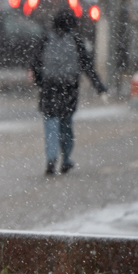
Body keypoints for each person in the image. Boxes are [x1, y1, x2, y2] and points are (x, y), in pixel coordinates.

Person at [32, 9, 107, 176]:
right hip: (69, 88)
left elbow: (36, 62)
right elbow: (88, 66)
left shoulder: (45, 39)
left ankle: (51, 158)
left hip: (49, 87)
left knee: (51, 123)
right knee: (66, 124)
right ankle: (66, 159)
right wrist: (99, 86)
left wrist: (40, 82)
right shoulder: (76, 41)